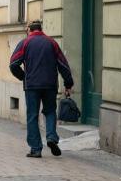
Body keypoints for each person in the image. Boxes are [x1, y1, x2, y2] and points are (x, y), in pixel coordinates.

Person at [9, 20, 74, 158]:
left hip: (32, 86)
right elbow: (63, 65)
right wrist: (68, 84)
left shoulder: (25, 43)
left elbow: (13, 64)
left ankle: (36, 149)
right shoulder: (52, 43)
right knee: (50, 111)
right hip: (50, 85)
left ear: (29, 30)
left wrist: (23, 77)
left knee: (32, 115)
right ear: (41, 29)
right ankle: (51, 137)